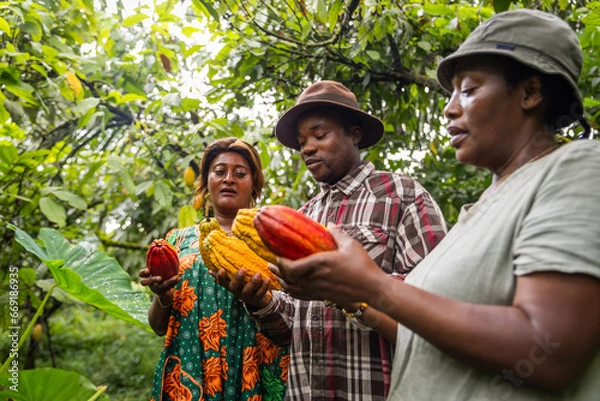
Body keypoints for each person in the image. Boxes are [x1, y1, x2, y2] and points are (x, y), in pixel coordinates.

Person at [271, 9, 600, 401]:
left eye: (470, 89)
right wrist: (340, 294)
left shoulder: (576, 168)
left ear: (530, 93)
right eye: (452, 92)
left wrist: (371, 286)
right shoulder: (480, 212)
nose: (450, 107)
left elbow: (551, 352)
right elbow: (424, 331)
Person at [215, 81, 447, 400]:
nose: (307, 148)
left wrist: (340, 289)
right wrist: (262, 302)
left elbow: (438, 304)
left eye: (319, 135)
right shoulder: (301, 216)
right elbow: (289, 330)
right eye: (301, 142)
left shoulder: (403, 196)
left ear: (354, 133)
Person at [139, 137, 288, 401]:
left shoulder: (274, 239)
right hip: (190, 373)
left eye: (240, 173)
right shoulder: (176, 242)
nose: (229, 178)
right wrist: (162, 295)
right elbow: (157, 326)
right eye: (219, 172)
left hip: (259, 370)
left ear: (254, 185)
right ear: (206, 182)